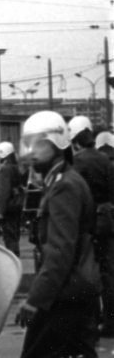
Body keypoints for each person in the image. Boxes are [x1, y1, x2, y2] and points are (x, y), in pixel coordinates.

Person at [16, 111, 100, 358]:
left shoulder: (64, 186)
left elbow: (60, 251)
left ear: (55, 145)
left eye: (37, 143)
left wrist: (35, 300)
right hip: (75, 290)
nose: (30, 151)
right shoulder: (62, 182)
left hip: (65, 294)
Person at [69, 116, 114, 338]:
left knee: (87, 272)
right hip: (108, 218)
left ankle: (92, 319)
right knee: (108, 272)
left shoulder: (78, 163)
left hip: (89, 221)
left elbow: (77, 195)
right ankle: (110, 321)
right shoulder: (105, 159)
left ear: (75, 142)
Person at [0, 141, 24, 256]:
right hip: (17, 205)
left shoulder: (5, 169)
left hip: (9, 207)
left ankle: (13, 264)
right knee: (15, 236)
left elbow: (5, 192)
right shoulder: (16, 167)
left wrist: (1, 212)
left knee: (9, 239)